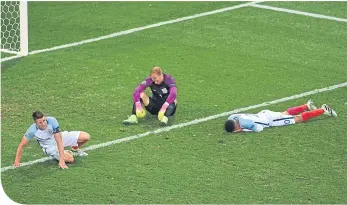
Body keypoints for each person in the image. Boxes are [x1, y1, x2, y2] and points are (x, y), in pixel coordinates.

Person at [13, 111, 90, 169]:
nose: (43, 124)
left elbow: (59, 141)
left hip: (58, 138)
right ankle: (66, 152)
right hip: (49, 147)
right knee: (70, 159)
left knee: (86, 137)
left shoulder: (52, 120)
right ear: (35, 123)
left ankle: (74, 148)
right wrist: (17, 161)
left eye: (44, 120)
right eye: (40, 122)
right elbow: (21, 145)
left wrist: (62, 160)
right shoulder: (32, 131)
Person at [225, 100, 337, 133]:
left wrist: (243, 130)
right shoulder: (232, 117)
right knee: (285, 114)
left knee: (296, 119)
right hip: (264, 113)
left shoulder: (245, 124)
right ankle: (306, 105)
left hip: (270, 120)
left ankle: (323, 109)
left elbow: (258, 129)